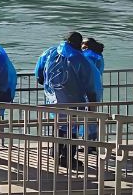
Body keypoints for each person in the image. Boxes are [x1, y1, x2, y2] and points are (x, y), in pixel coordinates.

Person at [35, 32, 98, 171]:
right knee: (72, 130)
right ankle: (68, 158)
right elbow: (90, 85)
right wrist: (93, 105)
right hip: (75, 101)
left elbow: (39, 72)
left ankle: (56, 153)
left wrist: (43, 81)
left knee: (59, 126)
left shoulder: (50, 53)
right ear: (79, 44)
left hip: (54, 99)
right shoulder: (81, 60)